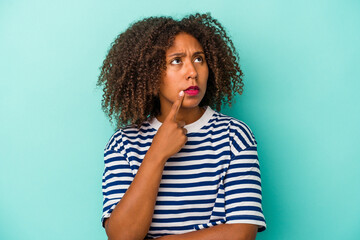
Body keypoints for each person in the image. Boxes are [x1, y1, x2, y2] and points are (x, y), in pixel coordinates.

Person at [97, 13, 266, 240]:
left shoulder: (235, 137)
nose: (192, 72)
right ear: (150, 74)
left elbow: (242, 233)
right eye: (176, 61)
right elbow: (120, 236)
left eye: (199, 59)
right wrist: (157, 153)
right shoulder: (124, 144)